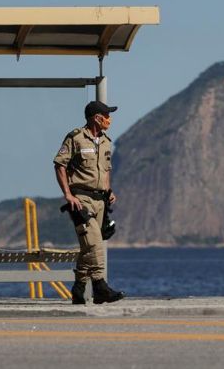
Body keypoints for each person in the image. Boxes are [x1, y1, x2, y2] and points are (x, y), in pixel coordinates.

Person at [54, 100, 126, 305]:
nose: (110, 120)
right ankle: (100, 287)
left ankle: (78, 288)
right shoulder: (75, 138)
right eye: (107, 116)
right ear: (97, 118)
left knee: (88, 247)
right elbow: (59, 165)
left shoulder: (105, 141)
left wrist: (108, 190)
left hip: (100, 201)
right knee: (94, 244)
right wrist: (68, 195)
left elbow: (106, 170)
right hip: (80, 199)